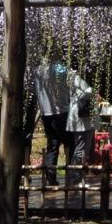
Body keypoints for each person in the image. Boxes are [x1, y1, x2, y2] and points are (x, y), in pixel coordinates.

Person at [34, 56, 71, 187]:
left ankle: (51, 176)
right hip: (61, 111)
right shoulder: (61, 68)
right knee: (69, 144)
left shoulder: (38, 69)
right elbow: (69, 87)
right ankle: (72, 175)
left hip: (46, 113)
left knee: (53, 145)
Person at [66, 69, 95, 189]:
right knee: (80, 149)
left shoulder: (75, 73)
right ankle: (75, 179)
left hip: (84, 117)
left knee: (83, 148)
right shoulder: (75, 75)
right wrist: (94, 88)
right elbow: (84, 93)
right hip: (81, 118)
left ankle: (77, 178)